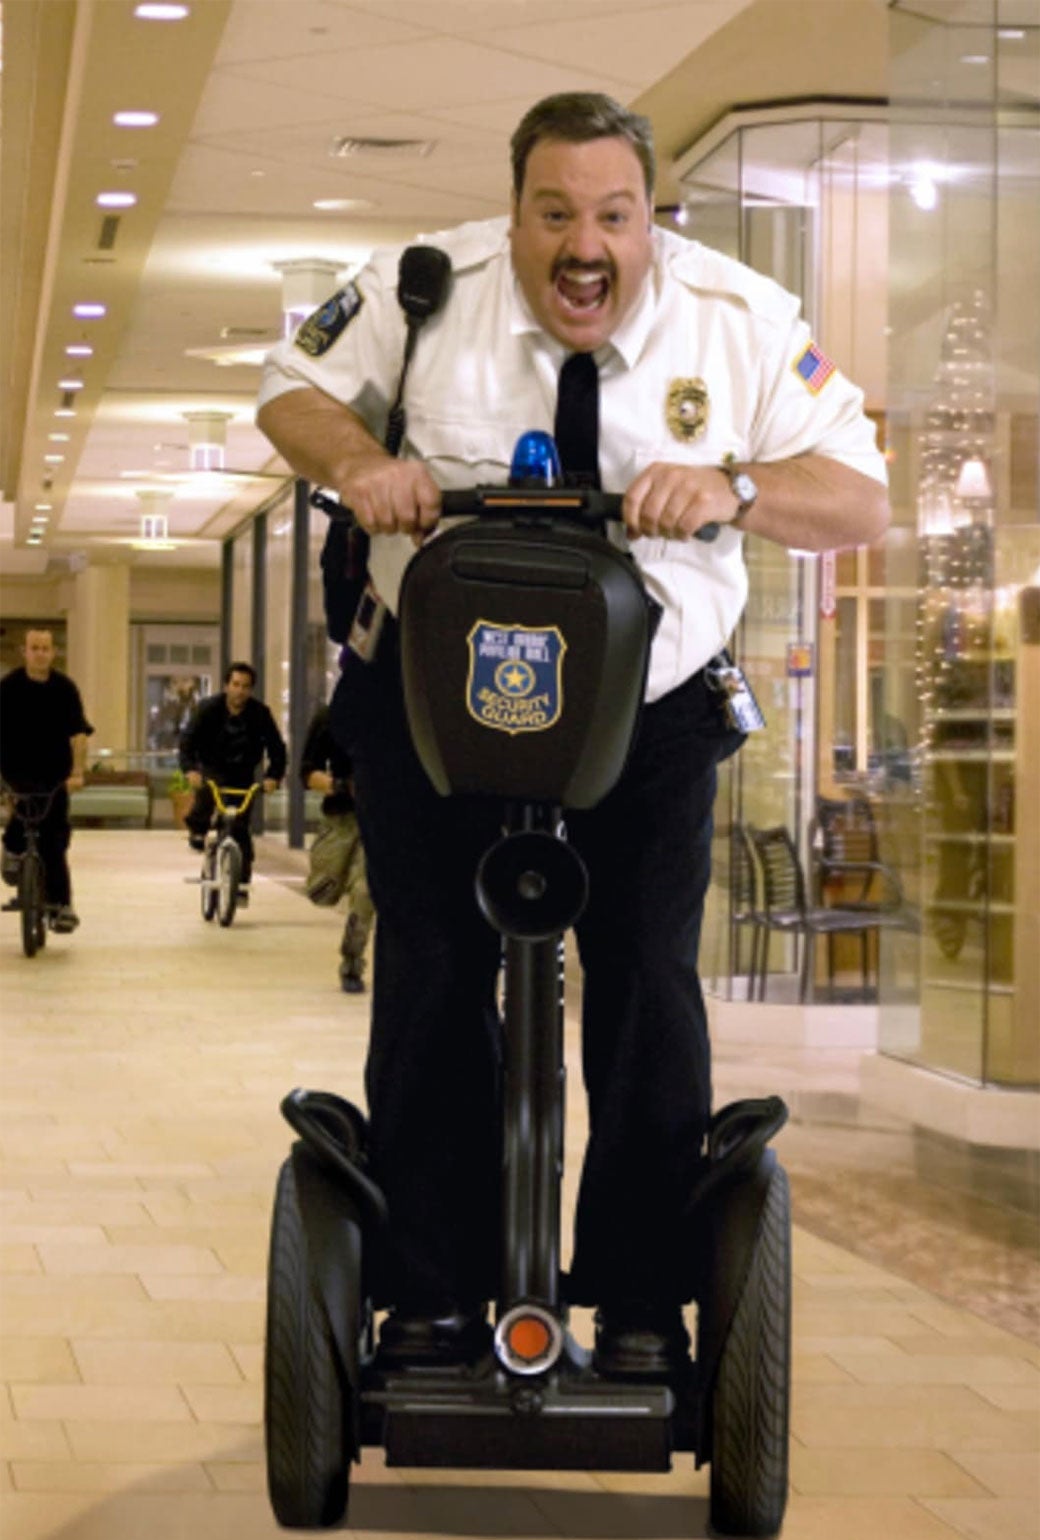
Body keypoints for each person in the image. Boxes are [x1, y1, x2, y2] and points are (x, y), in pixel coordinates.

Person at [256, 92, 890, 1374]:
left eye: (612, 214)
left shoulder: (741, 319)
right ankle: (429, 1290)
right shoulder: (426, 289)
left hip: (644, 712)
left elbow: (858, 496)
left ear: (650, 218)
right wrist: (358, 465)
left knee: (647, 987)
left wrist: (738, 487)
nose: (581, 245)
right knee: (432, 976)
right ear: (516, 213)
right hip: (439, 706)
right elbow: (292, 394)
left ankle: (647, 1303)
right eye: (553, 214)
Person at [0, 628, 92, 933]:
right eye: (34, 648)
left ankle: (61, 906)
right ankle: (12, 852)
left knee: (54, 842)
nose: (40, 653)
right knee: (19, 826)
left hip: (54, 775)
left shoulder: (65, 688)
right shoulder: (9, 687)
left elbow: (78, 733)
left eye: (45, 648)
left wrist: (77, 772)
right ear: (24, 652)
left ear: (53, 653)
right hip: (16, 771)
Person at [178, 662, 287, 902]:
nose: (240, 691)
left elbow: (277, 749)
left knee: (240, 829)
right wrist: (190, 770)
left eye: (245, 687)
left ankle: (241, 885)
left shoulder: (260, 714)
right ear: (227, 686)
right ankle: (198, 829)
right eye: (235, 685)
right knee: (208, 790)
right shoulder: (208, 709)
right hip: (212, 766)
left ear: (251, 690)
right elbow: (187, 741)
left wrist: (273, 777)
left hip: (243, 773)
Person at [299, 702, 374, 994]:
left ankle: (352, 960)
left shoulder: (399, 713)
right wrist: (341, 786)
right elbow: (307, 773)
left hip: (380, 820)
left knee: (365, 892)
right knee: (322, 890)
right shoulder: (331, 716)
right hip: (341, 818)